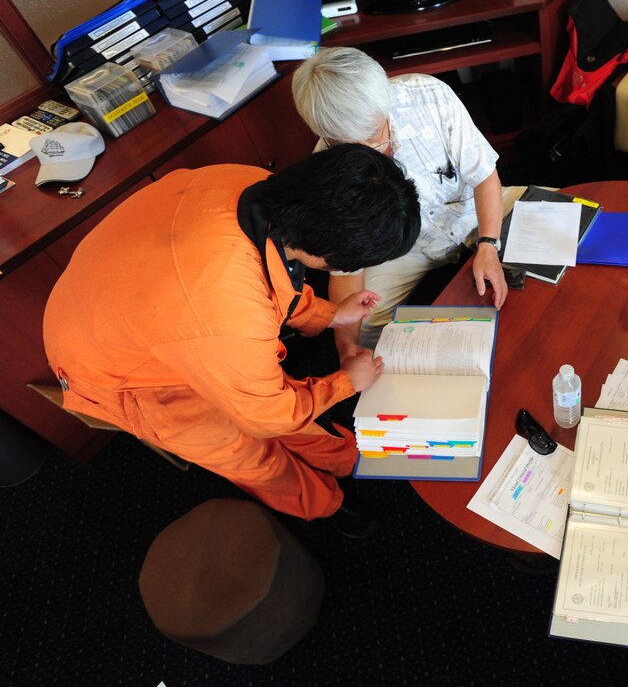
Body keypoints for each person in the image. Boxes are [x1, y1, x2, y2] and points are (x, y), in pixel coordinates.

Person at [43, 146, 421, 538]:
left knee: (278, 393)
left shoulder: (251, 180)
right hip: (113, 367)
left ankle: (341, 460)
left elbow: (274, 274)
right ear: (327, 257)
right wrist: (346, 382)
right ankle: (327, 504)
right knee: (245, 450)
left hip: (136, 299)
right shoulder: (230, 314)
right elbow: (267, 416)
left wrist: (330, 314)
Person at [292, 47, 509, 356]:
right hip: (406, 249)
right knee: (368, 332)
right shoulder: (326, 171)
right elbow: (345, 271)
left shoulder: (429, 95)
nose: (382, 150)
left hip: (472, 211)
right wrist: (347, 350)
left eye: (380, 133)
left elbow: (485, 175)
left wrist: (488, 243)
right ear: (331, 138)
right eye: (361, 146)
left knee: (557, 228)